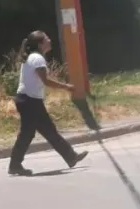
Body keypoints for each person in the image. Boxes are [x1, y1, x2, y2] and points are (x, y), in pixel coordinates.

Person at [7, 31, 88, 177]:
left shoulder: (33, 57)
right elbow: (46, 81)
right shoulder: (37, 59)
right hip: (29, 101)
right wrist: (66, 86)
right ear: (40, 44)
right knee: (35, 133)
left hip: (28, 100)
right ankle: (14, 165)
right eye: (46, 39)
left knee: (42, 131)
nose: (49, 40)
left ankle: (70, 157)